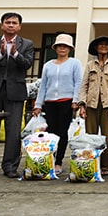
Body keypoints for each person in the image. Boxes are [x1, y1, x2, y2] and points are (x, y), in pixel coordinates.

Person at [0, 12, 34, 178]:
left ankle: (10, 166)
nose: (10, 25)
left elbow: (27, 64)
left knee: (14, 130)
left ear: (19, 26)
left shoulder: (27, 44)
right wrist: (1, 53)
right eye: (7, 22)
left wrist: (15, 54)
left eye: (14, 23)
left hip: (15, 91)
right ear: (2, 25)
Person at [33, 33, 82, 175]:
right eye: (60, 46)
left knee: (62, 132)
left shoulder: (75, 63)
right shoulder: (48, 65)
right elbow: (43, 85)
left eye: (65, 46)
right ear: (55, 48)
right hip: (50, 102)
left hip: (66, 102)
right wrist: (38, 104)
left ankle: (59, 161)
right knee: (50, 132)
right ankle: (50, 159)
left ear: (70, 48)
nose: (62, 48)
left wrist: (75, 100)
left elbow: (78, 82)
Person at [78, 36, 108, 176]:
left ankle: (106, 165)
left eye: (106, 45)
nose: (103, 47)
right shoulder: (90, 65)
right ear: (96, 48)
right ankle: (91, 162)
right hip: (91, 104)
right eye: (100, 45)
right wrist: (82, 105)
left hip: (107, 105)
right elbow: (84, 85)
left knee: (107, 136)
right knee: (91, 136)